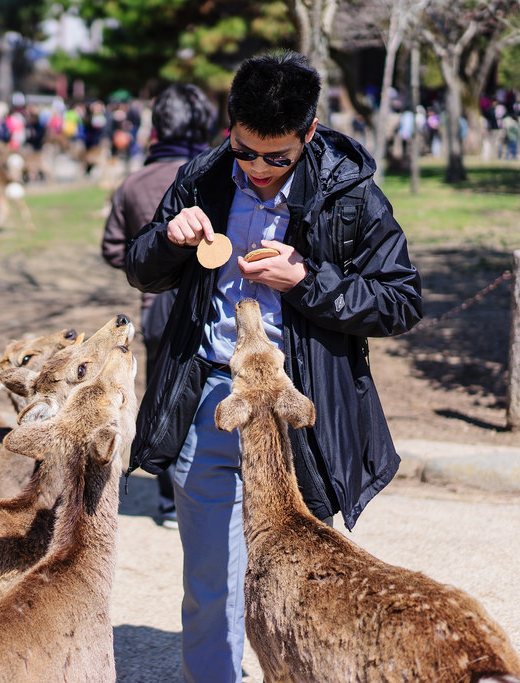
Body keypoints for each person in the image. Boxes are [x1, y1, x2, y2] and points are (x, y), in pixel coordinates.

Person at [123, 50, 422, 682]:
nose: (258, 169)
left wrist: (307, 279)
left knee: (302, 584)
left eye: (277, 157)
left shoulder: (350, 191)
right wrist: (167, 237)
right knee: (211, 581)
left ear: (309, 133)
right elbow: (140, 268)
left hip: (300, 411)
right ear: (229, 128)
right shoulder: (202, 175)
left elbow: (401, 300)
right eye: (246, 151)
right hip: (209, 395)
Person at [101, 83, 217, 530]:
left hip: (156, 307)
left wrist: (150, 261)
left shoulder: (134, 184)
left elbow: (116, 249)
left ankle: (169, 501)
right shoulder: (217, 177)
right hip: (209, 304)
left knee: (164, 397)